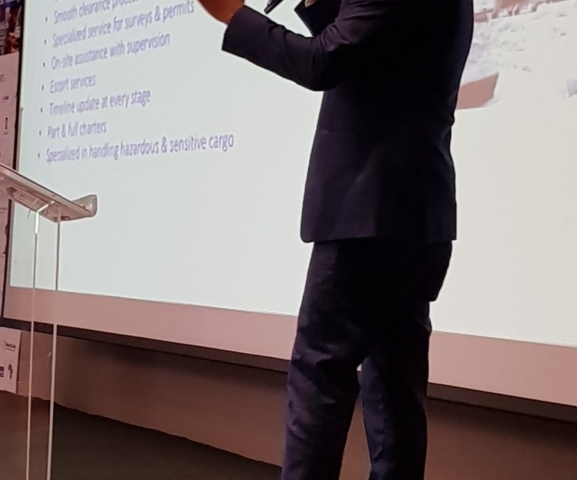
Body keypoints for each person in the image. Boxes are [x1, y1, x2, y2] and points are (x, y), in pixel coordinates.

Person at [196, 0, 474, 478]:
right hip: (417, 215)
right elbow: (371, 48)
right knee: (395, 388)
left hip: (367, 214)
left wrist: (233, 15)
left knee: (320, 376)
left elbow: (324, 62)